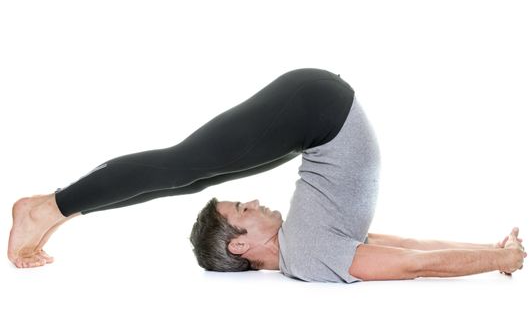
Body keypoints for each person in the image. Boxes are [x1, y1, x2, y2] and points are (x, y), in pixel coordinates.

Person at [8, 68, 526, 282]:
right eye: (242, 211)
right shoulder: (310, 251)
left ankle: (51, 207)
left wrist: (497, 257)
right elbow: (414, 257)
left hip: (315, 109)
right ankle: (52, 210)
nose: (253, 202)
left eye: (241, 205)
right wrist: (494, 251)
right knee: (185, 173)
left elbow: (413, 257)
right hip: (315, 108)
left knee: (184, 166)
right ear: (239, 247)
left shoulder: (311, 245)